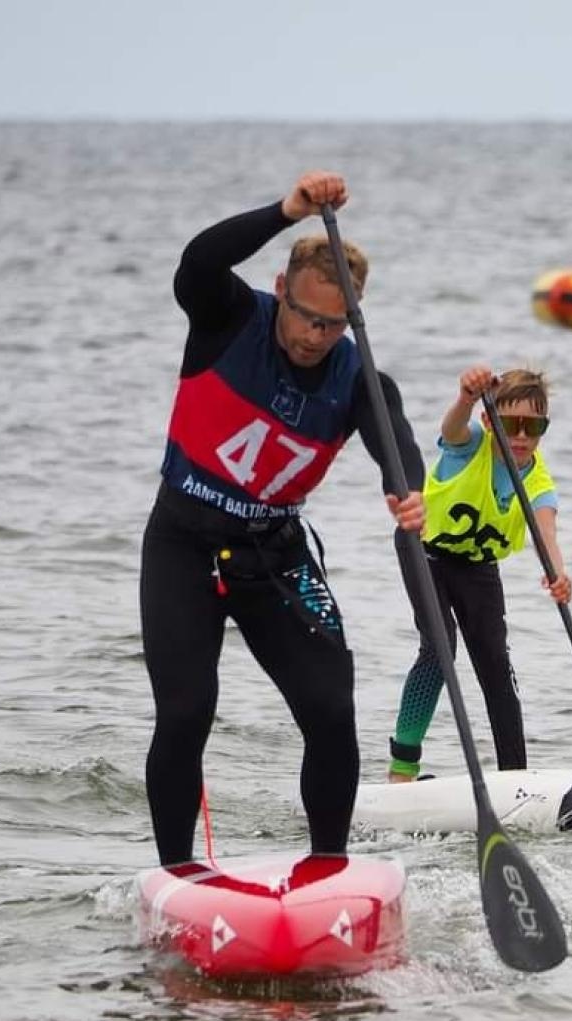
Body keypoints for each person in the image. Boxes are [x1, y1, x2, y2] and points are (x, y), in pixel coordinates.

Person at [141, 170, 426, 867]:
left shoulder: (358, 377)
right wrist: (286, 211)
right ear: (281, 290)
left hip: (276, 555)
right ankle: (178, 871)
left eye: (334, 323)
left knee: (331, 710)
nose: (315, 335)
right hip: (183, 544)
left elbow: (393, 436)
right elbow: (198, 260)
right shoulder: (228, 319)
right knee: (185, 711)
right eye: (306, 316)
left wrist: (407, 490)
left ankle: (328, 870)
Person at [388, 366, 572, 782]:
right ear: (490, 421)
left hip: (478, 568)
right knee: (440, 647)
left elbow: (546, 533)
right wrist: (467, 398)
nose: (521, 436)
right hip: (424, 550)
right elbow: (450, 429)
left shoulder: (538, 481)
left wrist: (559, 575)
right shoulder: (470, 443)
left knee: (496, 665)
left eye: (534, 426)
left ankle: (515, 778)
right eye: (511, 424)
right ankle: (402, 768)